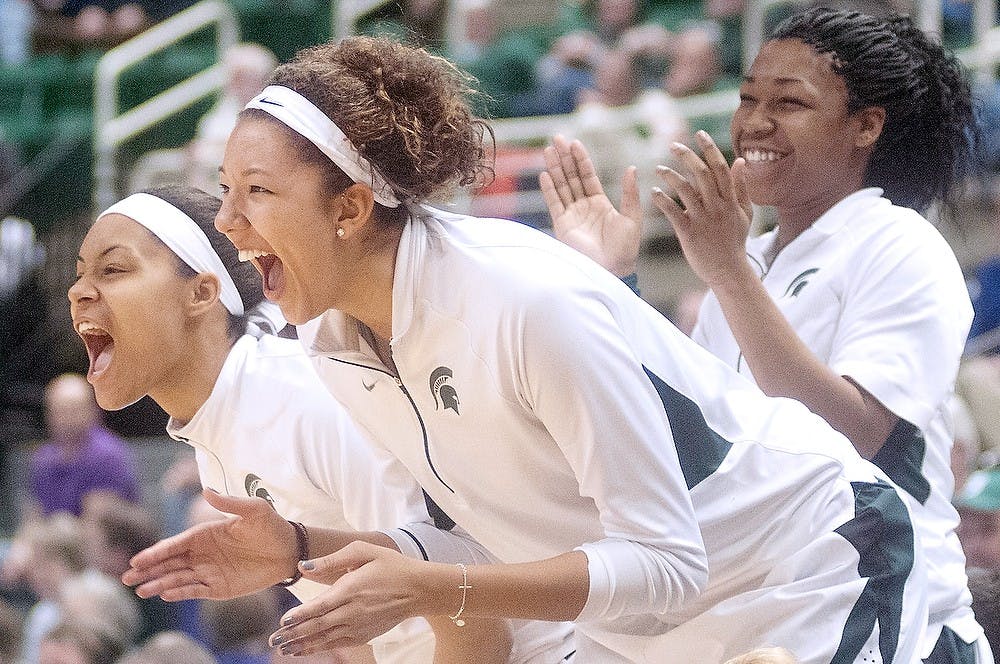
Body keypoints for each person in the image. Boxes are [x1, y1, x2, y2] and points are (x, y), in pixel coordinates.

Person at [122, 35, 927, 663]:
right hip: (648, 626)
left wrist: (441, 588)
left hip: (809, 571)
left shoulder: (524, 302)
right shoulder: (333, 339)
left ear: (351, 207)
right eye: (224, 193)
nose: (228, 223)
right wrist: (302, 548)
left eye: (257, 192)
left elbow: (665, 563)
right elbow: (490, 540)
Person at [542, 7, 986, 663]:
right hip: (766, 613)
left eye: (790, 102)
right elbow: (684, 441)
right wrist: (614, 283)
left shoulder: (900, 244)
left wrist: (727, 273)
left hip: (890, 610)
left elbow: (858, 435)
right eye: (748, 98)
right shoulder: (748, 265)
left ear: (866, 125)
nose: (754, 122)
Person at [68, 185, 572, 663]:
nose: (79, 293)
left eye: (113, 270)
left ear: (201, 293)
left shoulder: (309, 401)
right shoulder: (219, 439)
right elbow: (353, 633)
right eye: (80, 275)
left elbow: (479, 629)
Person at [28, 373, 141, 518]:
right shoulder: (43, 459)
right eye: (61, 411)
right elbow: (35, 513)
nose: (68, 419)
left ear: (93, 411)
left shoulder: (107, 455)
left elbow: (100, 521)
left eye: (75, 410)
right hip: (56, 535)